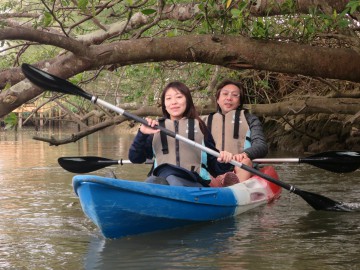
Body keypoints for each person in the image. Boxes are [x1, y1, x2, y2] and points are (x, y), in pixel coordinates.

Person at [128, 81, 235, 187]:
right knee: (154, 180)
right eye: (168, 98)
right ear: (164, 104)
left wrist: (224, 160)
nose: (174, 102)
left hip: (194, 183)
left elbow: (215, 168)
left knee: (169, 179)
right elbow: (135, 158)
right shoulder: (156, 128)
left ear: (187, 101)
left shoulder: (200, 127)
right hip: (161, 181)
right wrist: (142, 134)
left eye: (179, 97)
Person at [202, 79, 268, 187]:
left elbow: (261, 145)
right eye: (225, 94)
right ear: (217, 99)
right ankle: (218, 182)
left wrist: (244, 154)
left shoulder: (250, 119)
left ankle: (234, 186)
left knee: (245, 162)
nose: (229, 98)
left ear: (239, 102)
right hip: (214, 167)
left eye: (235, 95)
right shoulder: (204, 121)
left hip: (240, 166)